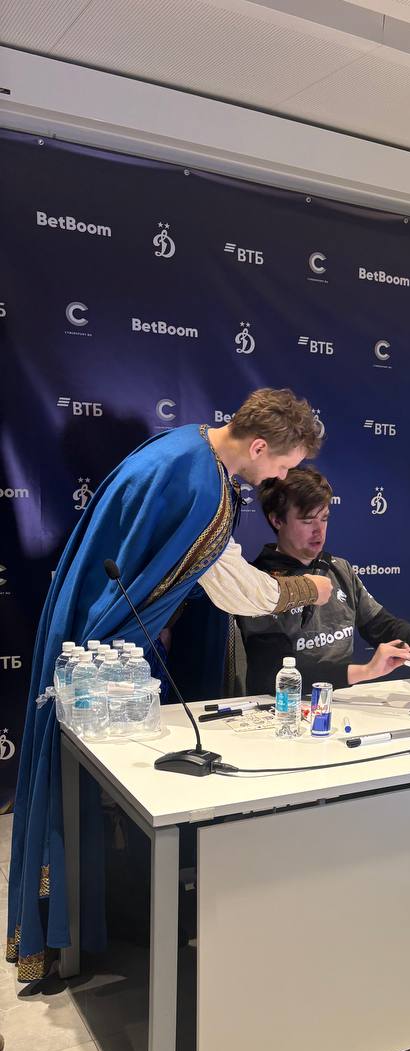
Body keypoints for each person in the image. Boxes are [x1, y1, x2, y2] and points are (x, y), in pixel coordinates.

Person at [7, 388, 330, 982]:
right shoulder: (202, 487)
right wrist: (310, 589)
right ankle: (80, 927)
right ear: (260, 446)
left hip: (96, 638)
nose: (282, 478)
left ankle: (86, 921)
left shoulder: (186, 448)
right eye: (285, 465)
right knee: (91, 791)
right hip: (100, 659)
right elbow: (241, 592)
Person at [239, 467, 410, 694]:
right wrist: (366, 671)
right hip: (282, 707)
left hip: (337, 700)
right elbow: (273, 674)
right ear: (277, 520)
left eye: (324, 518)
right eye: (307, 521)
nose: (319, 531)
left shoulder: (338, 568)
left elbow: (380, 625)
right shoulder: (259, 583)